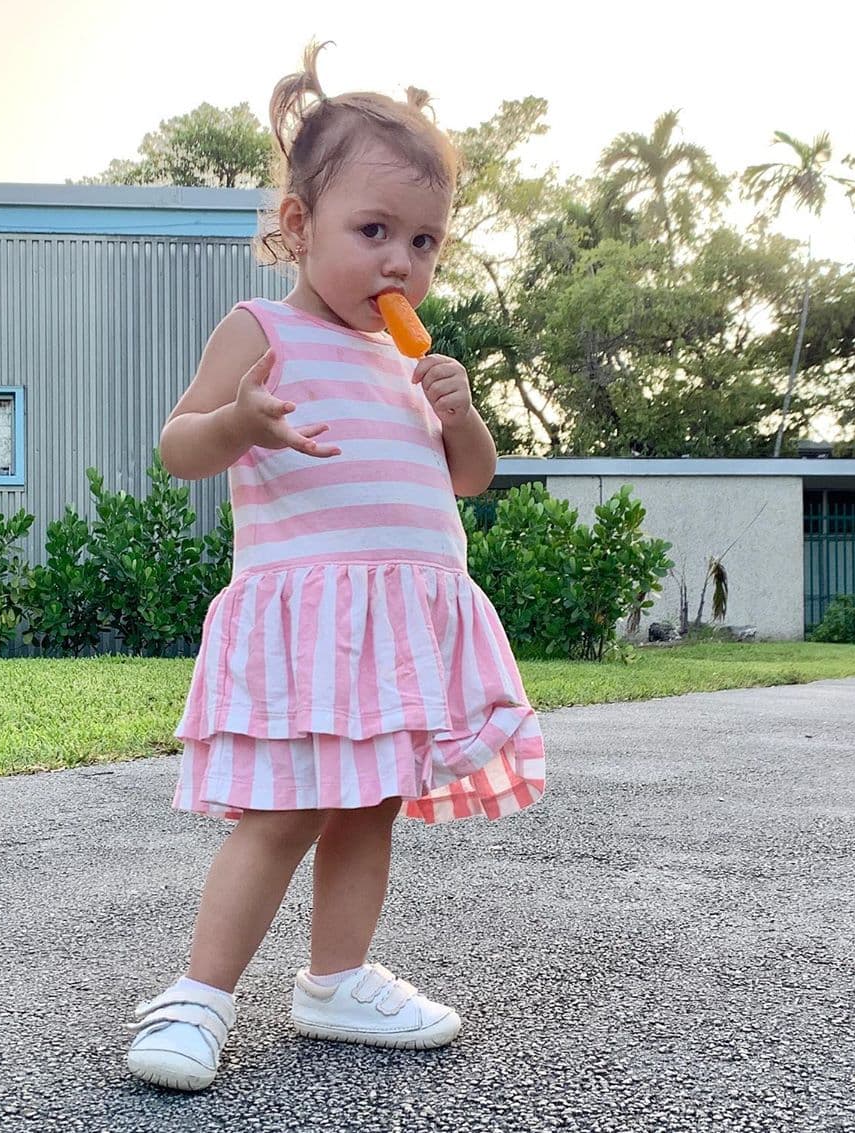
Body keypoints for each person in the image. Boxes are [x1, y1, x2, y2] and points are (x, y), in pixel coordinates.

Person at [126, 42, 546, 1092]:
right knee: (283, 811)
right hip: (308, 619)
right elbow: (177, 446)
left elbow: (470, 482)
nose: (400, 261)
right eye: (373, 231)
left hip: (398, 624)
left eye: (424, 240)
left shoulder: (412, 362)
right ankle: (200, 994)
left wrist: (465, 415)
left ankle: (337, 976)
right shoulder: (262, 331)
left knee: (370, 805)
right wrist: (239, 418)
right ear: (301, 227)